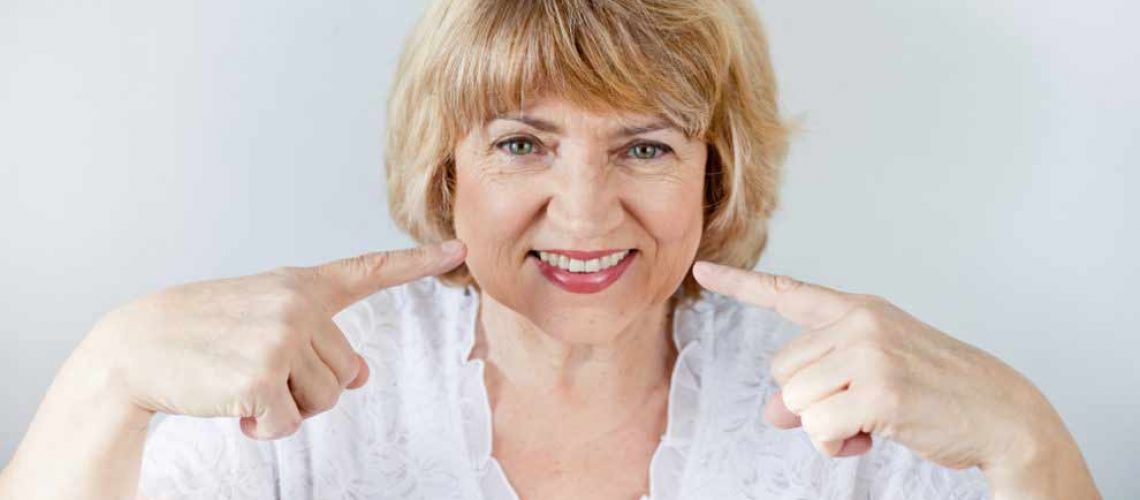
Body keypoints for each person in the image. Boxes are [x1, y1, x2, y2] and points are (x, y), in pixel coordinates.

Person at [0, 0, 1101, 498]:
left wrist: (1031, 443)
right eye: (523, 140)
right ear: (447, 167)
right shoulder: (289, 403)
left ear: (716, 173)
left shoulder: (857, 425)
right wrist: (102, 376)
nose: (583, 212)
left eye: (645, 146)